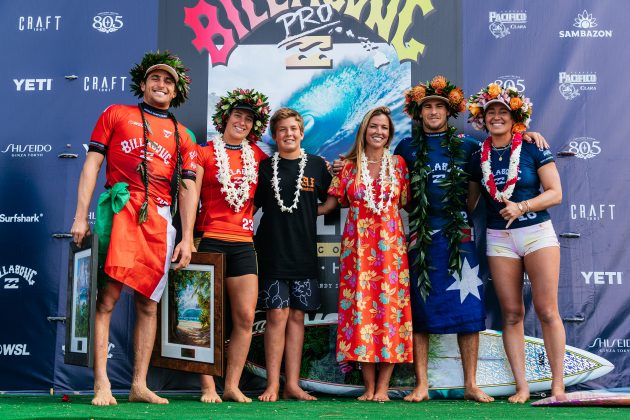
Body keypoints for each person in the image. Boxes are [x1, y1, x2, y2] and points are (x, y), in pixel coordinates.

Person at [70, 51, 198, 406]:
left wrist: (187, 236)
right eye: (155, 79)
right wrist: (81, 216)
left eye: (168, 81)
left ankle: (139, 385)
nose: (161, 85)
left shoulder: (183, 135)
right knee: (107, 299)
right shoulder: (116, 114)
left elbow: (187, 190)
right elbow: (92, 166)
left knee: (148, 305)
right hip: (121, 209)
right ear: (143, 84)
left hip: (159, 219)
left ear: (176, 92)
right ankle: (102, 384)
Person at [394, 76, 493, 403]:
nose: (433, 111)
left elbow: (473, 197)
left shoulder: (468, 146)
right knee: (420, 311)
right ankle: (421, 384)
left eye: (439, 106)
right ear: (418, 113)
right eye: (428, 107)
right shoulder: (406, 148)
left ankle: (471, 384)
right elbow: (403, 196)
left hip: (459, 236)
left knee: (469, 311)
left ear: (450, 111)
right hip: (421, 237)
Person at [466, 83, 565, 403]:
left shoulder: (533, 146)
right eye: (490, 112)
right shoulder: (476, 154)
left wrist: (523, 206)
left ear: (514, 117)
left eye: (502, 112)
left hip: (536, 232)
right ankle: (522, 387)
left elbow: (555, 193)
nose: (496, 117)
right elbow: (470, 201)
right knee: (511, 313)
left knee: (547, 310)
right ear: (482, 120)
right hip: (499, 237)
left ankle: (558, 386)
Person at [320, 106, 413, 402]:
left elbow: (410, 203)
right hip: (357, 254)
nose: (379, 132)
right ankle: (368, 387)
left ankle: (383, 388)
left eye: (384, 128)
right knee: (360, 314)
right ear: (364, 129)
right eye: (374, 126)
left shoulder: (398, 165)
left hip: (390, 255)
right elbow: (329, 206)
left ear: (390, 133)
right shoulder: (348, 167)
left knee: (389, 315)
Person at [195, 88, 270, 403]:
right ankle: (208, 386)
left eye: (249, 118)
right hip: (209, 239)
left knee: (244, 316)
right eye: (238, 115)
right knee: (203, 318)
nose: (242, 121)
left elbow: (281, 182)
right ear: (225, 118)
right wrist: (189, 239)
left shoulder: (259, 157)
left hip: (243, 243)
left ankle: (231, 385)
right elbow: (188, 200)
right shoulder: (203, 153)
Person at [254, 108, 332, 402]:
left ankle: (293, 385)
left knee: (297, 317)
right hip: (272, 253)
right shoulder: (265, 167)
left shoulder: (315, 166)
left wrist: (317, 210)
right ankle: (273, 384)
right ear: (275, 136)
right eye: (282, 129)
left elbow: (333, 196)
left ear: (302, 133)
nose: (288, 134)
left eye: (293, 129)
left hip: (303, 254)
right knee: (276, 315)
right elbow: (251, 207)